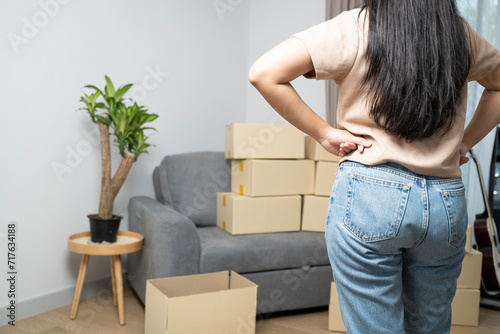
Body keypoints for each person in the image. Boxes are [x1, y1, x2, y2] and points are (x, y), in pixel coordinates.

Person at [249, 0, 500, 333]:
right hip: (444, 203)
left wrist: (324, 133)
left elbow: (264, 73)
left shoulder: (355, 26)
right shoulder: (458, 34)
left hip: (371, 194)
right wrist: (464, 142)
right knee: (430, 324)